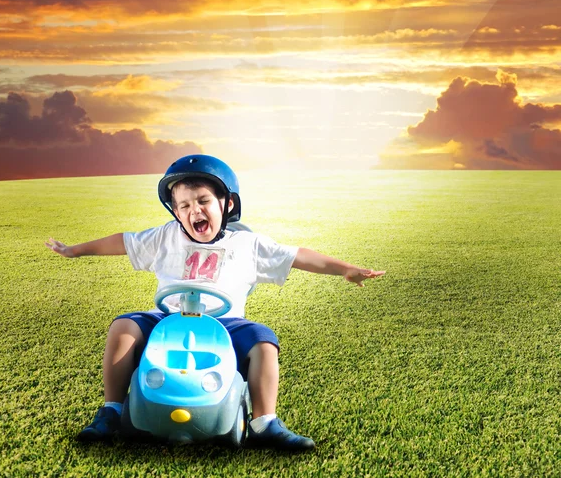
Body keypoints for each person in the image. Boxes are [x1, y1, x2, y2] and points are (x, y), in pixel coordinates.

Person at [45, 154, 385, 451]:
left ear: (228, 203)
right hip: (166, 317)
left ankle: (265, 422)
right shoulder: (166, 236)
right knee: (123, 326)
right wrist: (76, 249)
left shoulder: (247, 245)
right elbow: (124, 242)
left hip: (225, 323)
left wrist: (345, 269)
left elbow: (298, 256)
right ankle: (111, 411)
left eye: (203, 200)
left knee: (264, 342)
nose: (194, 211)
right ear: (175, 211)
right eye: (184, 205)